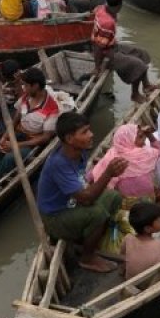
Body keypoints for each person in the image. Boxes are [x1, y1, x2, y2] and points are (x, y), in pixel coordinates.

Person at [38, 112, 126, 273]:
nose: (91, 135)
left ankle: (88, 238)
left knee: (113, 196)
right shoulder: (59, 163)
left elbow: (84, 186)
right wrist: (108, 173)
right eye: (85, 132)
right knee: (98, 213)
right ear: (70, 139)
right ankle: (87, 258)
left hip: (73, 204)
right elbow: (86, 199)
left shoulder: (80, 151)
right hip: (55, 217)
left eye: (89, 130)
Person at [0, 68, 60, 189]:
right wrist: (4, 137)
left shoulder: (52, 108)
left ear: (35, 86)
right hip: (17, 135)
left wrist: (16, 145)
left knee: (9, 158)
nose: (23, 88)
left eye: (25, 85)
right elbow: (14, 121)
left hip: (30, 143)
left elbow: (45, 138)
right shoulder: (26, 98)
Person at [91, 0, 155, 103]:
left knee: (142, 54)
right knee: (138, 65)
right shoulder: (108, 23)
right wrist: (97, 67)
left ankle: (146, 85)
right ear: (120, 4)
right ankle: (135, 95)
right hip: (107, 53)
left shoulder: (102, 8)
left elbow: (96, 11)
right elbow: (98, 46)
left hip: (112, 45)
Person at [90, 124, 160, 198]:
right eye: (140, 137)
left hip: (126, 197)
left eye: (143, 136)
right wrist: (150, 136)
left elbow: (94, 174)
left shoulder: (113, 152)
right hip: (138, 196)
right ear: (128, 141)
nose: (144, 141)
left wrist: (149, 135)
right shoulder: (143, 154)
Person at [121, 202, 160, 279]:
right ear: (148, 228)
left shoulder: (128, 238)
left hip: (129, 279)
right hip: (147, 284)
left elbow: (122, 256)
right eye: (159, 219)